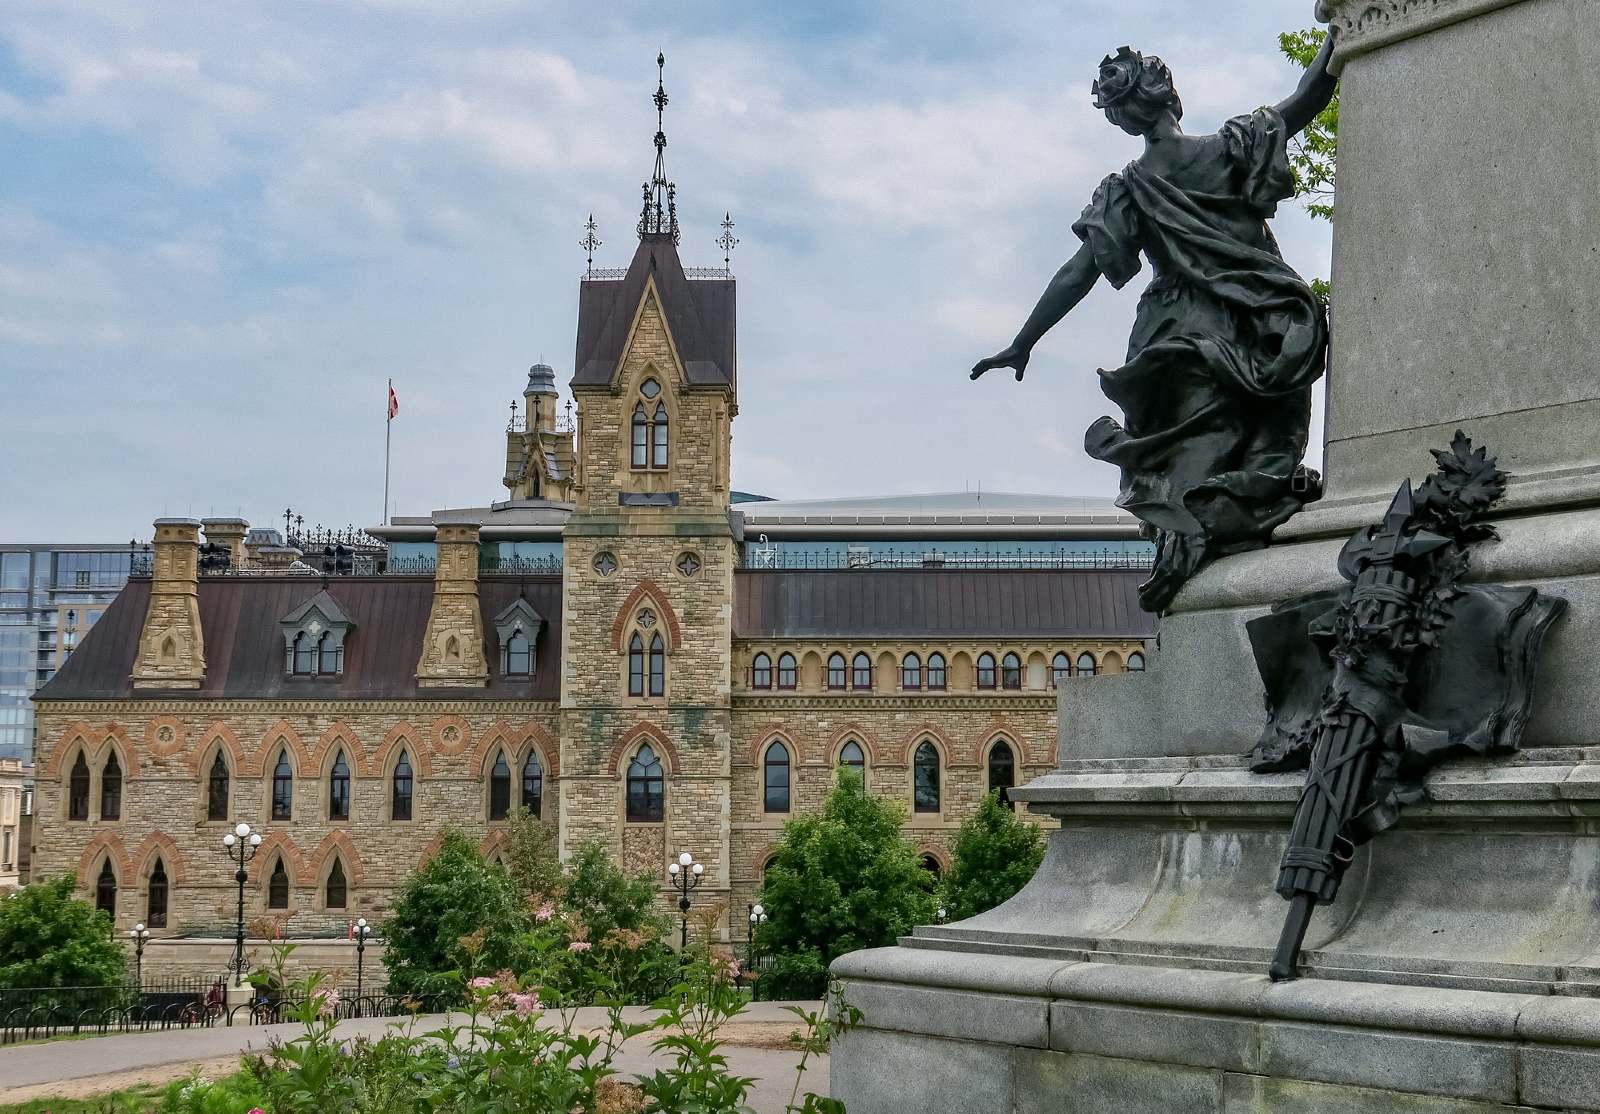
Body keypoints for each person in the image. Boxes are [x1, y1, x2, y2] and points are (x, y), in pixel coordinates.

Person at [972, 32, 1339, 611]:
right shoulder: (1235, 145)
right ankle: (1229, 557)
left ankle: (1195, 567)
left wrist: (1023, 343)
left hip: (1177, 336)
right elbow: (1310, 93)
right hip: (1260, 323)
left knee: (1192, 461)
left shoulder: (1128, 189)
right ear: (1172, 98)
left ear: (1123, 118)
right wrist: (1341, 33)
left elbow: (1077, 272)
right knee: (1266, 447)